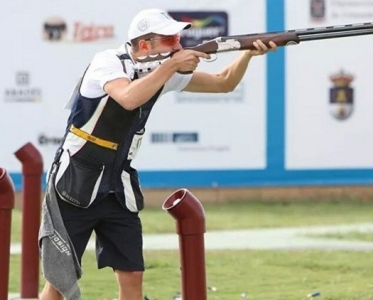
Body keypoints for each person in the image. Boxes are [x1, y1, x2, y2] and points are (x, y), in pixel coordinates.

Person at [39, 7, 277, 300]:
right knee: (59, 281)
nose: (178, 45)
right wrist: (171, 66)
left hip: (118, 184)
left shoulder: (159, 71)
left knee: (132, 276)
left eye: (177, 38)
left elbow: (224, 82)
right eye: (170, 39)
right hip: (76, 180)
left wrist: (248, 53)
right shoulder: (108, 62)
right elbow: (127, 97)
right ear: (144, 45)